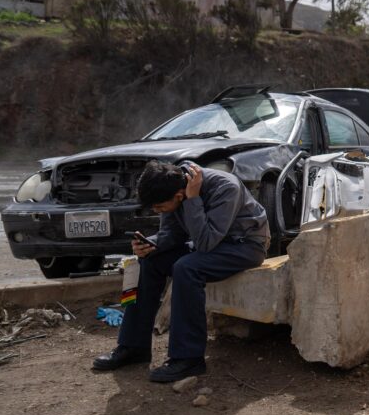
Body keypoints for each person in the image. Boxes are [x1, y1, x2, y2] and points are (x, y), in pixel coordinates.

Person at [92, 160, 269, 382]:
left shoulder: (225, 187)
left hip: (245, 246)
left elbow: (205, 242)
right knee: (147, 261)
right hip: (211, 245)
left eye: (159, 208)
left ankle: (189, 359)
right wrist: (151, 244)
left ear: (179, 195)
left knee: (186, 267)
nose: (157, 212)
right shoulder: (172, 184)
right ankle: (133, 346)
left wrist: (193, 199)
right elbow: (172, 233)